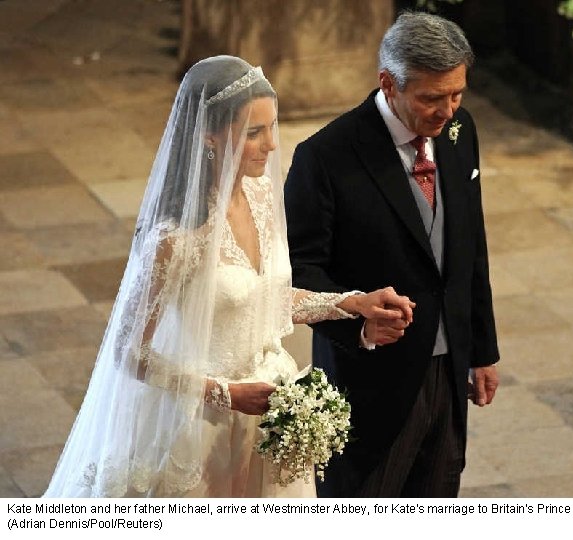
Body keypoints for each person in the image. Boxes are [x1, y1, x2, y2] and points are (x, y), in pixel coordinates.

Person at [44, 55, 414, 498]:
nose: (270, 145)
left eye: (272, 128)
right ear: (210, 138)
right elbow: (130, 352)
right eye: (254, 133)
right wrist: (224, 393)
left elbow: (266, 299)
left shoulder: (260, 196)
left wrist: (349, 302)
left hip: (267, 414)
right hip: (199, 426)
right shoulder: (174, 238)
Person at [284, 12, 500, 497]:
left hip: (449, 373)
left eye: (457, 93)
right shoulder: (324, 157)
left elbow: (471, 245)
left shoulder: (460, 131)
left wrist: (482, 349)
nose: (447, 111)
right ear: (388, 83)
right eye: (430, 98)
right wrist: (356, 320)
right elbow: (300, 271)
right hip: (369, 385)